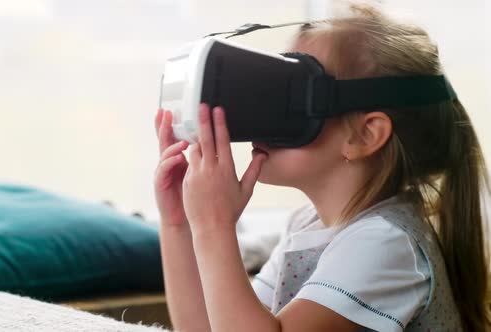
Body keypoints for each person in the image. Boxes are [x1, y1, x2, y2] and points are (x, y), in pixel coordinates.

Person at [153, 2, 490, 331]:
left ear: (365, 135)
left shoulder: (387, 244)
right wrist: (178, 222)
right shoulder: (306, 227)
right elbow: (205, 327)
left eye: (290, 93)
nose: (263, 110)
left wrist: (215, 226)